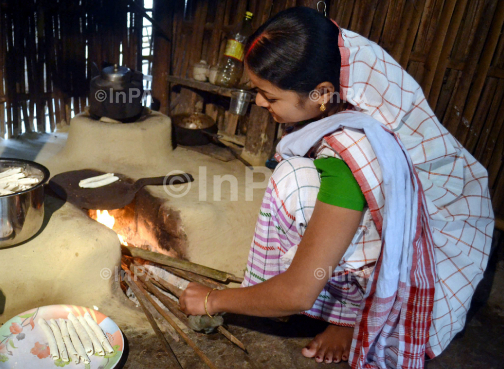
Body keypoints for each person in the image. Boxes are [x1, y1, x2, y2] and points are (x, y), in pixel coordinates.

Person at [180, 7, 494, 368]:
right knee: (303, 185)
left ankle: (353, 317)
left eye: (269, 95)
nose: (260, 102)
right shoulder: (345, 97)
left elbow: (298, 292)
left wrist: (212, 300)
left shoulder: (349, 153)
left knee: (292, 183)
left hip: (438, 255)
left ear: (321, 94)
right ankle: (345, 309)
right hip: (404, 218)